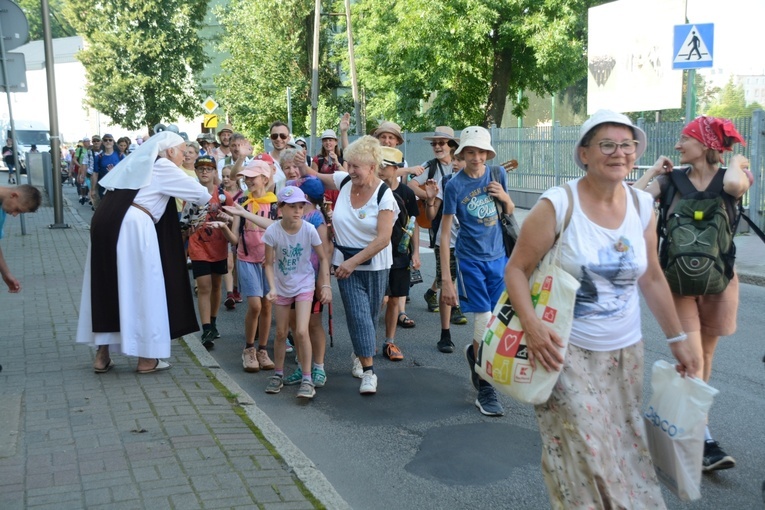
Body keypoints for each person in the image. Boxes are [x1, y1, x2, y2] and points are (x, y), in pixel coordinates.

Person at [504, 110, 700, 508]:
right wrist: (533, 327)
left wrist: (678, 338)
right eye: (607, 145)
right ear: (585, 154)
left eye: (626, 145)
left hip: (625, 354)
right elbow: (517, 270)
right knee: (587, 450)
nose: (619, 153)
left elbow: (652, 277)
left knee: (624, 449)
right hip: (563, 351)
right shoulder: (558, 205)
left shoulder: (643, 206)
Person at [633, 115, 749, 472]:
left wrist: (734, 159)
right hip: (678, 284)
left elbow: (732, 182)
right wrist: (654, 171)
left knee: (705, 359)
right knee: (693, 359)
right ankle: (703, 439)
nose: (678, 146)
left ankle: (687, 424)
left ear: (705, 145)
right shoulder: (670, 181)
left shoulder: (732, 178)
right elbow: (631, 202)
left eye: (685, 139)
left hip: (719, 281)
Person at [76, 131, 212, 374]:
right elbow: (201, 194)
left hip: (105, 223)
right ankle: (147, 358)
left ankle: (102, 355)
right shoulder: (162, 166)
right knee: (143, 286)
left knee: (108, 285)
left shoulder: (135, 164)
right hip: (133, 225)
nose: (183, 157)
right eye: (182, 152)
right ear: (170, 150)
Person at [301, 135, 395, 395]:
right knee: (357, 315)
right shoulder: (344, 181)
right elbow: (317, 175)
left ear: (372, 167)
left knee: (369, 317)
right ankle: (369, 372)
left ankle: (360, 353)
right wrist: (302, 165)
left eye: (356, 166)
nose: (349, 170)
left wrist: (353, 262)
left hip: (374, 264)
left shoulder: (384, 195)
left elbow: (384, 239)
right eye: (348, 164)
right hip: (345, 263)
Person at [440, 126, 511, 417]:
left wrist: (504, 197)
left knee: (499, 323)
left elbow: (509, 214)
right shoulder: (454, 185)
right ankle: (485, 387)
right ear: (462, 154)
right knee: (483, 320)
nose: (476, 157)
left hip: (500, 260)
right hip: (470, 261)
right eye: (471, 152)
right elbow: (444, 234)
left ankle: (475, 355)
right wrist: (447, 279)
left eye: (481, 151)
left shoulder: (497, 175)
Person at [262, 186, 331, 399]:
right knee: (282, 332)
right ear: (280, 207)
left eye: (301, 206)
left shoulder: (309, 229)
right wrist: (272, 288)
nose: (298, 210)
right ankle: (278, 374)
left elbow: (323, 257)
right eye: (292, 206)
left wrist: (326, 285)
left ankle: (307, 378)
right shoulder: (272, 231)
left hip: (304, 284)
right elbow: (268, 264)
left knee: (301, 331)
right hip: (282, 286)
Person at [220, 160, 277, 373]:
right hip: (246, 259)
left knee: (267, 305)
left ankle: (263, 349)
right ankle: (249, 348)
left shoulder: (274, 203)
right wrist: (224, 228)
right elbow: (235, 238)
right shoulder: (242, 202)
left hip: (268, 262)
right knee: (255, 305)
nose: (249, 180)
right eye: (247, 177)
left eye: (253, 176)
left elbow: (279, 229)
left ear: (265, 178)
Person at [408, 126, 467, 325]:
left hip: (461, 224)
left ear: (451, 145)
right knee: (448, 262)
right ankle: (454, 306)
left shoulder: (461, 164)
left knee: (452, 264)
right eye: (434, 143)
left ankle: (433, 292)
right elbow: (412, 184)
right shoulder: (430, 165)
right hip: (439, 220)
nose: (437, 147)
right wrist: (429, 198)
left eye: (441, 143)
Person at [281, 176, 333, 388]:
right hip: (291, 278)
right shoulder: (296, 216)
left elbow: (325, 252)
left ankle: (318, 367)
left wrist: (324, 282)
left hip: (311, 280)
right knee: (295, 324)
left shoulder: (316, 218)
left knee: (313, 324)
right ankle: (304, 367)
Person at [184, 155, 233, 350]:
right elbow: (185, 222)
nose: (205, 172)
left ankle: (212, 322)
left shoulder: (223, 195)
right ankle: (205, 329)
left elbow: (233, 220)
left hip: (218, 246)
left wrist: (226, 219)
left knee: (216, 285)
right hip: (198, 246)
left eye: (209, 168)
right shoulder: (191, 194)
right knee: (203, 286)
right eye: (201, 168)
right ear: (195, 171)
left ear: (215, 172)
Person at [422, 150, 467, 352]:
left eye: (460, 160)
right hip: (446, 242)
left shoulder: (481, 182)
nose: (455, 163)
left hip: (469, 244)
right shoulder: (446, 181)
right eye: (455, 159)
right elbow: (432, 216)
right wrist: (430, 200)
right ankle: (445, 334)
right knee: (446, 282)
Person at [378, 146, 419, 359]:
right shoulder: (371, 190)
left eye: (385, 166)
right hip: (375, 254)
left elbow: (414, 223)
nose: (381, 169)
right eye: (378, 165)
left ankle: (390, 342)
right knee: (376, 299)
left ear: (396, 169)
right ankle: (366, 342)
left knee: (395, 298)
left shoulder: (406, 193)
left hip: (399, 253)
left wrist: (416, 253)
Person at [311, 129, 346, 207]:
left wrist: (337, 163)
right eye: (325, 140)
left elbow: (346, 176)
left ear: (336, 142)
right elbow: (312, 179)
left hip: (340, 194)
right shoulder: (317, 159)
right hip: (323, 194)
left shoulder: (342, 159)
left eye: (330, 140)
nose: (328, 143)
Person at [91, 134, 125, 207]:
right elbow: (95, 173)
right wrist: (93, 189)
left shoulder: (120, 155)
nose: (108, 141)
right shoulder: (99, 157)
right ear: (102, 142)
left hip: (117, 187)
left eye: (110, 140)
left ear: (113, 142)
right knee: (105, 209)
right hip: (103, 188)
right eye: (105, 140)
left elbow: (125, 171)